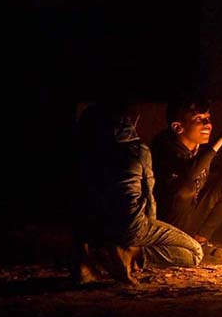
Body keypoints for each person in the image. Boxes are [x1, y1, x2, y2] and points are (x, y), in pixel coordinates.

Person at [72, 99, 204, 285]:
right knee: (195, 252)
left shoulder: (85, 152)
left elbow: (81, 195)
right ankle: (131, 254)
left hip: (97, 226)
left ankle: (87, 262)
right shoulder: (137, 149)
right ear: (131, 122)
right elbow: (148, 195)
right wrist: (143, 236)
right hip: (130, 225)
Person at [150, 96, 222, 262]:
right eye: (199, 119)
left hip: (190, 219)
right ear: (178, 127)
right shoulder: (162, 146)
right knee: (185, 188)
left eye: (208, 118)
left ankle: (199, 242)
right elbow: (189, 174)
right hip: (164, 226)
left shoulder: (202, 148)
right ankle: (174, 247)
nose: (208, 124)